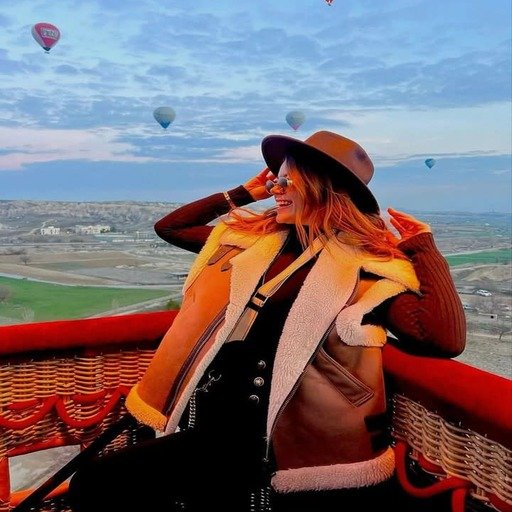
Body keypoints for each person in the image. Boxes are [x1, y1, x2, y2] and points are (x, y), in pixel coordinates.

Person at [67, 130, 466, 512]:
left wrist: (423, 249)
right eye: (275, 180)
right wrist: (243, 193)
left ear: (322, 188)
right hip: (214, 423)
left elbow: (443, 338)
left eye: (287, 181)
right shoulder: (255, 243)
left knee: (98, 484)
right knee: (96, 483)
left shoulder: (365, 270)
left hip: (275, 440)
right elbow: (170, 227)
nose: (275, 189)